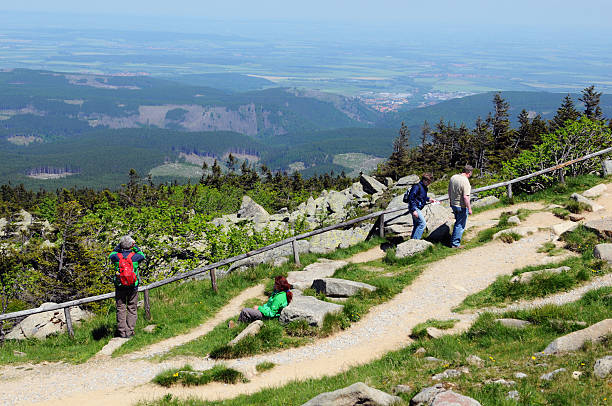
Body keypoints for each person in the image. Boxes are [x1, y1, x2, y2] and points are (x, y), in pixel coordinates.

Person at [109, 236, 146, 338]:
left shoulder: (116, 257)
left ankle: (122, 332)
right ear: (131, 245)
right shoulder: (135, 256)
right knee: (132, 308)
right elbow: (142, 255)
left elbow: (111, 254)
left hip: (120, 286)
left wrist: (119, 246)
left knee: (121, 308)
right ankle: (130, 331)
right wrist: (135, 246)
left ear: (121, 245)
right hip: (133, 286)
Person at [448, 165, 473, 248]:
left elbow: (449, 190)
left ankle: (453, 241)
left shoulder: (453, 177)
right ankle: (455, 244)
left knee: (457, 222)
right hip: (461, 205)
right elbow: (466, 197)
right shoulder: (465, 181)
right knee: (460, 225)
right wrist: (469, 208)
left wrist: (451, 201)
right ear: (469, 173)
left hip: (453, 204)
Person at [405, 172, 436, 240]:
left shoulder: (424, 187)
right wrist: (414, 210)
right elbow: (411, 198)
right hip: (415, 208)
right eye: (428, 182)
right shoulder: (416, 186)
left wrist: (429, 199)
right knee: (422, 224)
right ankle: (416, 241)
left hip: (416, 208)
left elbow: (421, 197)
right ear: (424, 180)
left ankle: (412, 241)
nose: (429, 183)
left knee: (417, 225)